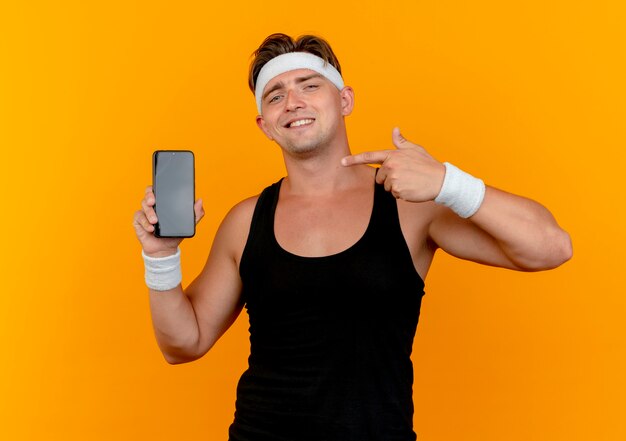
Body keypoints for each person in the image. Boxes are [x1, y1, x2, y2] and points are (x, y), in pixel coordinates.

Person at [133, 33, 572, 441]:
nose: (293, 102)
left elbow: (551, 247)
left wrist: (448, 182)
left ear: (344, 100)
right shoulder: (246, 221)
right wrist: (160, 256)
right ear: (264, 124)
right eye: (275, 95)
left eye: (309, 85)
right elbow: (182, 344)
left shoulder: (410, 203)